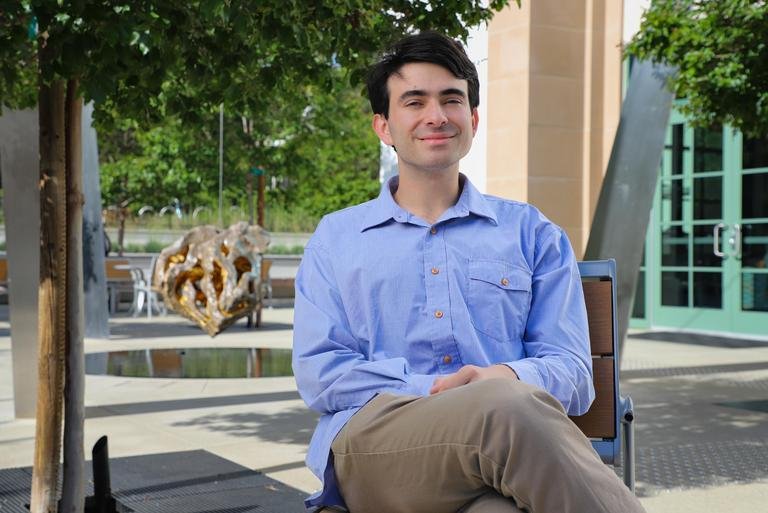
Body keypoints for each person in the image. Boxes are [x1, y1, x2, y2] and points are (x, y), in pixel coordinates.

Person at [292, 31, 645, 513]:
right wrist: (444, 392)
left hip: (500, 457)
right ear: (383, 126)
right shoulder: (337, 238)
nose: (435, 116)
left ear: (473, 120)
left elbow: (574, 375)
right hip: (378, 447)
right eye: (414, 101)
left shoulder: (531, 233)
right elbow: (322, 374)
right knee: (504, 405)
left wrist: (499, 374)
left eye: (451, 100)